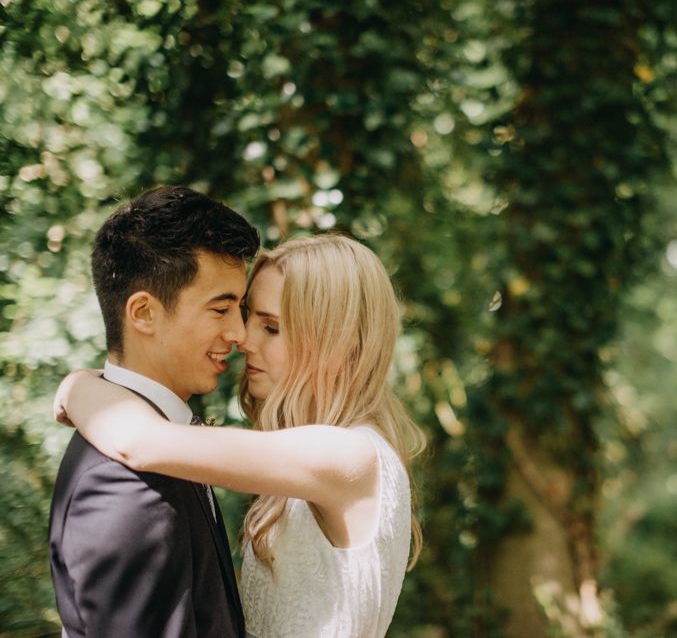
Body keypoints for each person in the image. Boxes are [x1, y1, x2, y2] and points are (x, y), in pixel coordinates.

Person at [55, 234, 425, 638]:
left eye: (271, 327)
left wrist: (77, 386)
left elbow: (140, 442)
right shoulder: (328, 453)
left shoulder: (349, 456)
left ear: (335, 342)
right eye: (250, 317)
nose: (244, 339)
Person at [48, 186, 259, 638]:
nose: (239, 333)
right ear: (143, 312)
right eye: (220, 308)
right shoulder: (126, 485)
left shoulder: (158, 439)